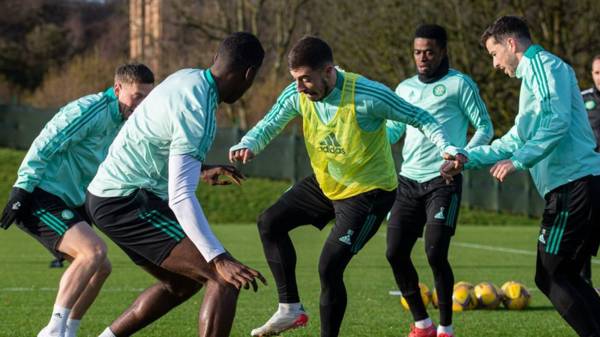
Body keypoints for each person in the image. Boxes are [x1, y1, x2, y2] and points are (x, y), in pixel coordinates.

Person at [229, 36, 467, 337]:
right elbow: (271, 122)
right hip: (328, 182)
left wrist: (446, 147)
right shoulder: (298, 93)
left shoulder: (368, 95)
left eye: (305, 80)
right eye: (296, 80)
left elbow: (420, 117)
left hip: (369, 193)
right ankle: (289, 308)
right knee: (269, 222)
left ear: (328, 71)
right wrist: (249, 142)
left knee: (329, 267)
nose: (300, 88)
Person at [85, 32, 267, 337]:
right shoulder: (198, 106)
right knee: (224, 278)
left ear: (215, 60)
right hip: (127, 201)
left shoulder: (187, 78)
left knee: (181, 285)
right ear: (249, 74)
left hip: (110, 197)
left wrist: (199, 169)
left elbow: (154, 140)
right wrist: (218, 257)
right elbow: (180, 197)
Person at [443, 15, 600, 337]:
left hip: (574, 186)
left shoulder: (542, 66)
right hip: (576, 185)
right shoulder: (535, 80)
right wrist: (466, 157)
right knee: (562, 275)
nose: (495, 64)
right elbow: (516, 138)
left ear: (511, 44)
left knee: (552, 274)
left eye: (494, 54)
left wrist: (520, 161)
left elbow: (556, 123)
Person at [0, 63, 155, 337]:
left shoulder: (125, 122)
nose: (141, 104)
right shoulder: (91, 109)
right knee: (93, 252)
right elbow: (46, 141)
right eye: (137, 96)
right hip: (40, 195)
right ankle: (52, 331)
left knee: (100, 268)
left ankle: (68, 331)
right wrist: (21, 189)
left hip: (71, 201)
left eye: (147, 97)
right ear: (118, 89)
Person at [385, 24, 494, 337]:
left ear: (443, 51)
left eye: (429, 52)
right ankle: (422, 325)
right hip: (407, 181)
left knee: (435, 253)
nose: (422, 58)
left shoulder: (460, 84)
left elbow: (485, 127)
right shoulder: (403, 88)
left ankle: (446, 329)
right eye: (418, 52)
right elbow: (394, 132)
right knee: (394, 252)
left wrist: (462, 156)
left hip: (442, 182)